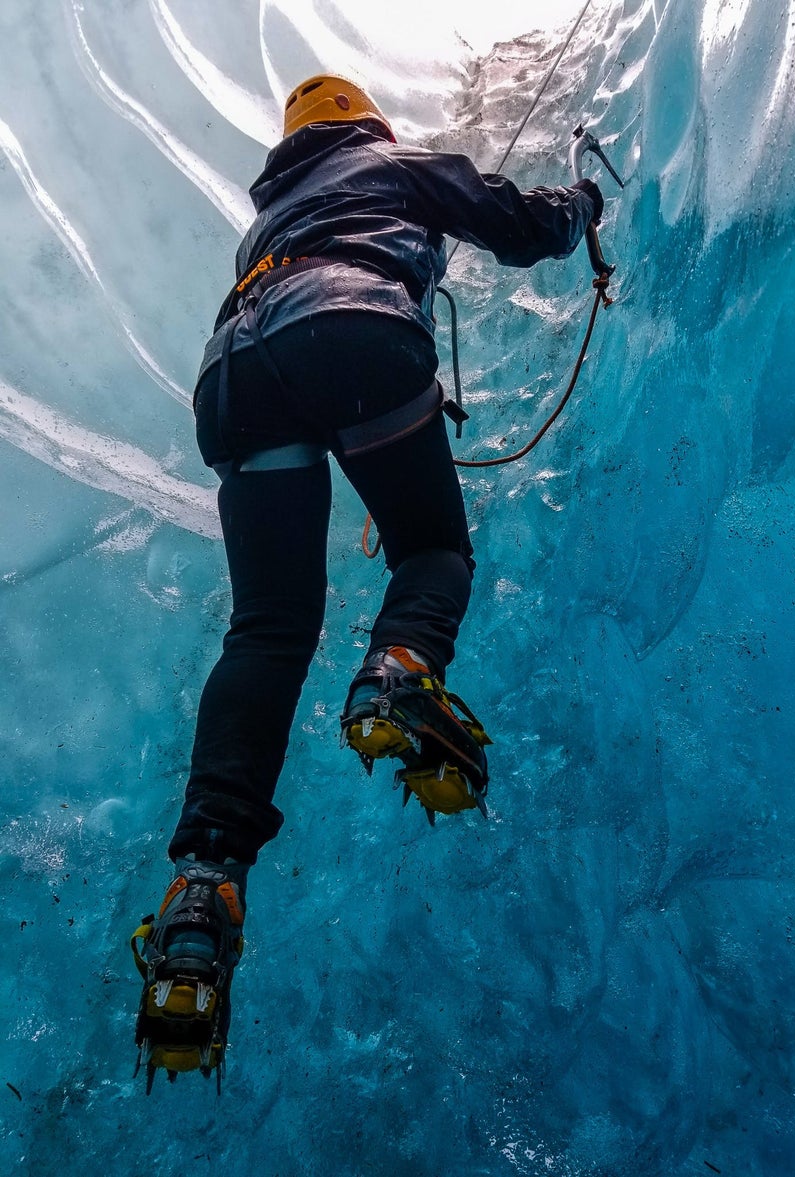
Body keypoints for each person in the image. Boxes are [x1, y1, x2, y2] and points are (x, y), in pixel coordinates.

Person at [131, 74, 603, 1088]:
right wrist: (581, 211)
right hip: (350, 325)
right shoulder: (384, 164)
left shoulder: (260, 231)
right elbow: (513, 224)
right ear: (364, 125)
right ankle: (396, 672)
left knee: (267, 627)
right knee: (430, 550)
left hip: (234, 374)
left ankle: (203, 886)